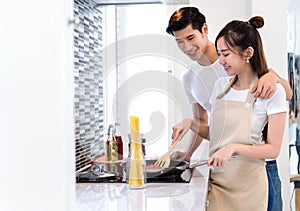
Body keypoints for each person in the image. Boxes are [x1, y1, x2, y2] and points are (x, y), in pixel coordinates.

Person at [166, 7, 292, 211]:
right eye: (179, 41)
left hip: (256, 171)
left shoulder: (261, 82)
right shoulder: (202, 81)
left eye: (190, 37)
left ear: (204, 29)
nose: (186, 47)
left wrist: (272, 76)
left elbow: (286, 95)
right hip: (221, 176)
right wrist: (189, 137)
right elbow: (212, 129)